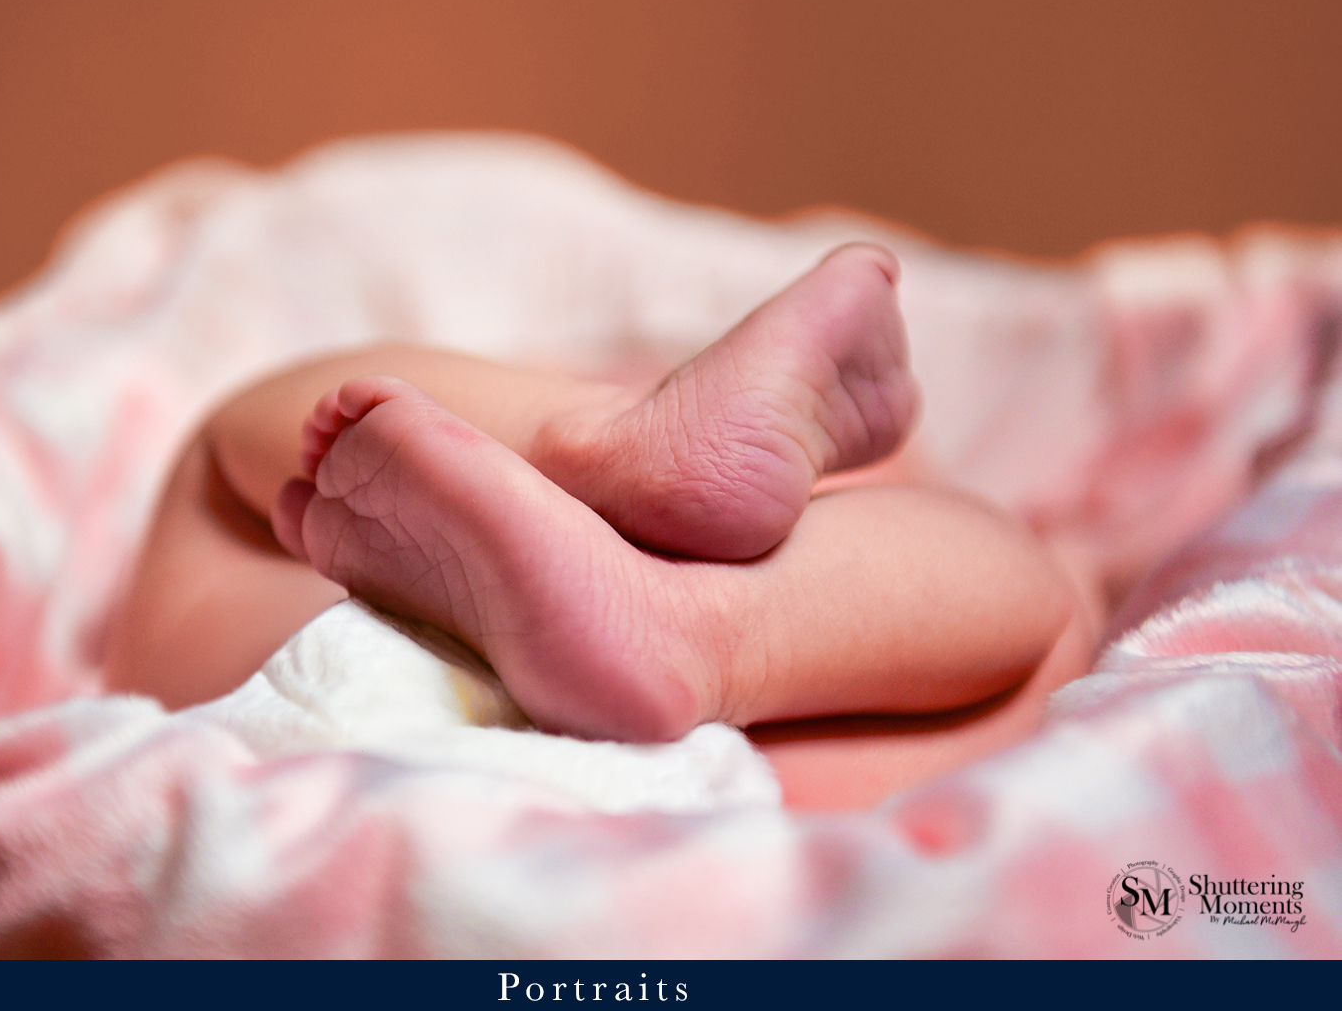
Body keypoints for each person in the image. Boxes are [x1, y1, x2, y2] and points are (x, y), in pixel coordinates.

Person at [104, 244, 1099, 810]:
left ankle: (591, 440)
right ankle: (707, 626)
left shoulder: (326, 579)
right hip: (714, 809)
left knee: (228, 459)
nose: (641, 536)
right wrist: (1079, 579)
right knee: (1038, 612)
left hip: (299, 765)